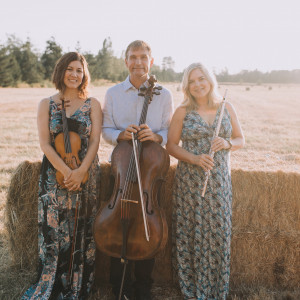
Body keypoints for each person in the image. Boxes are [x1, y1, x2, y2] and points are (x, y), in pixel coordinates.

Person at [22, 52, 102, 299]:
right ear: (61, 71)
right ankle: (52, 284)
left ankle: (77, 285)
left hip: (86, 173)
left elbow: (95, 142)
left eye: (79, 70)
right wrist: (66, 171)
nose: (74, 74)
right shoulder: (46, 104)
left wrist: (80, 172)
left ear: (84, 74)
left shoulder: (93, 104)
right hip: (54, 174)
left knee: (82, 227)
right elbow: (45, 144)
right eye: (70, 69)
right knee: (54, 230)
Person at [102, 40, 174, 300]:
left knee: (147, 227)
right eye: (133, 57)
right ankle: (118, 285)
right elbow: (105, 129)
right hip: (123, 169)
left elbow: (169, 130)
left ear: (151, 61)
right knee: (117, 223)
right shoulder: (112, 93)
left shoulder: (164, 94)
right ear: (126, 61)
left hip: (148, 173)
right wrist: (120, 134)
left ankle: (143, 287)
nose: (138, 62)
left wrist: (156, 137)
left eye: (143, 57)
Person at [166, 62, 245, 300]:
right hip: (190, 181)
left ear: (210, 80)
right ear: (186, 86)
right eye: (192, 81)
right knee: (190, 231)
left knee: (218, 232)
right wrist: (195, 159)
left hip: (219, 181)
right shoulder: (182, 111)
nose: (197, 84)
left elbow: (241, 139)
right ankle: (192, 289)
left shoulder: (226, 107)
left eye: (201, 78)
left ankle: (215, 290)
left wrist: (227, 143)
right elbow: (170, 146)